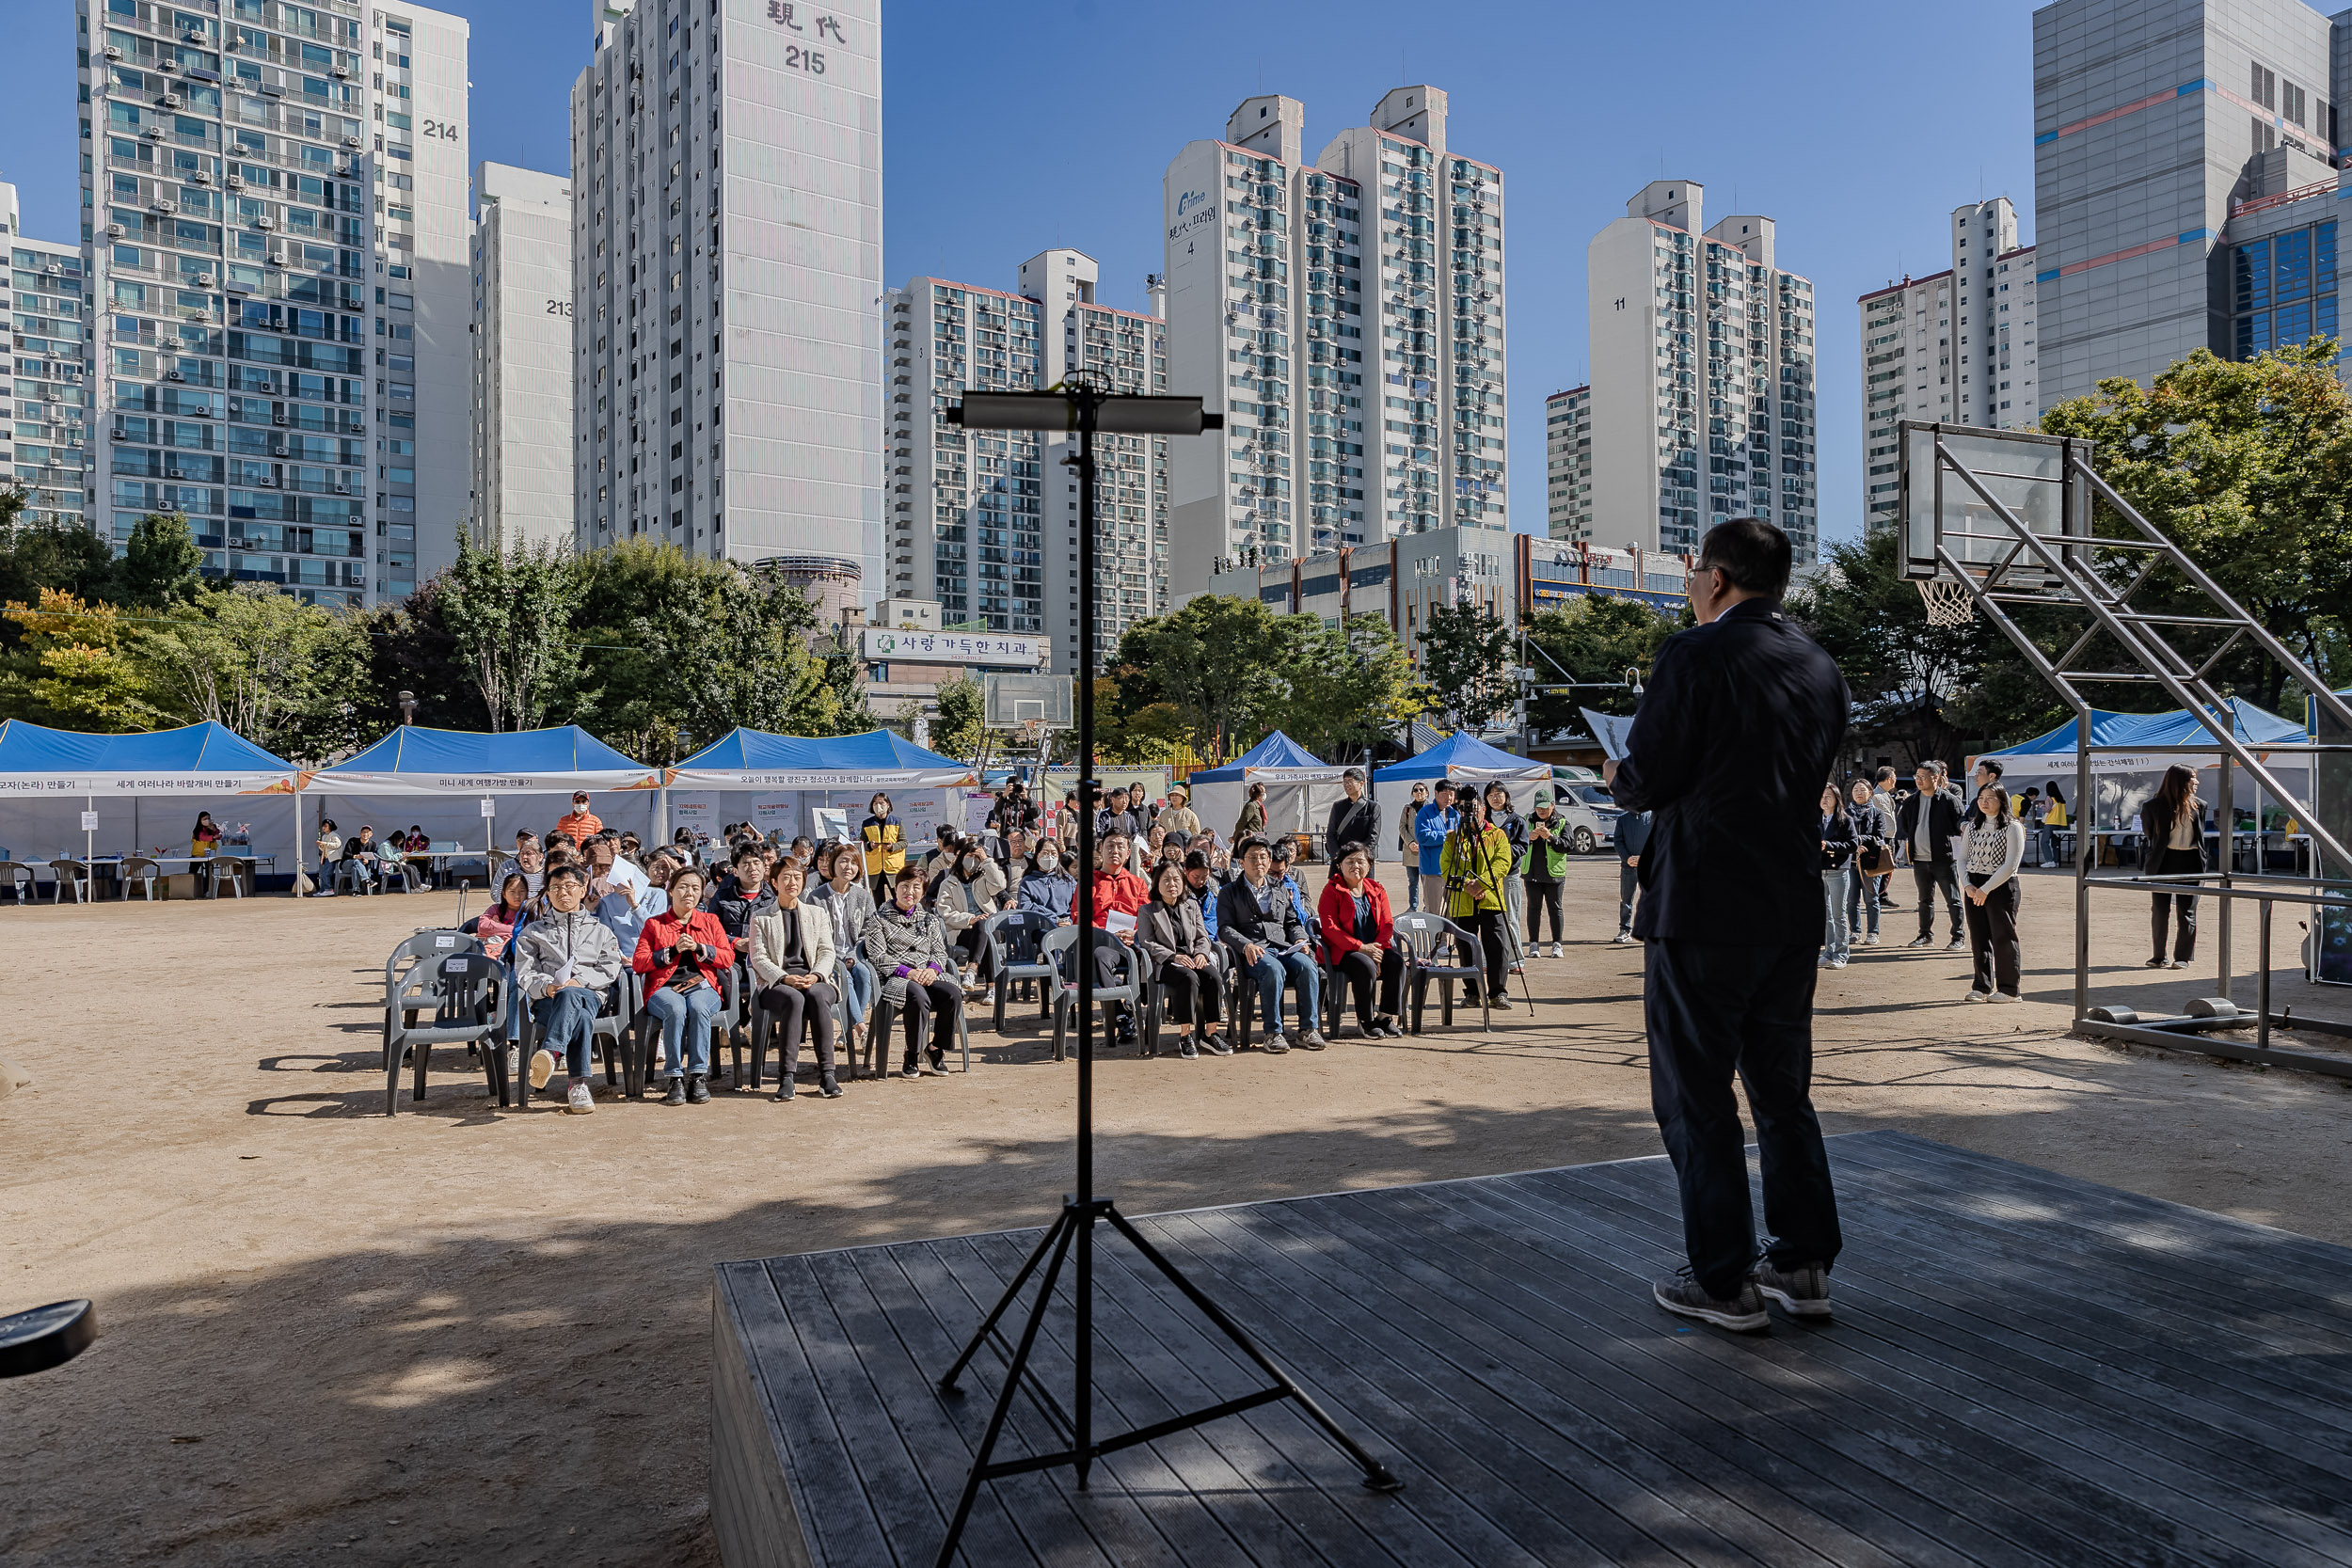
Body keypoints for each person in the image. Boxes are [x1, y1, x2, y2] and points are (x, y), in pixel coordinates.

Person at [1604, 516, 1848, 1333]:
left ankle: (1721, 1276)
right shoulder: (1820, 665)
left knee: (1697, 1095)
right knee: (1783, 1091)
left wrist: (1616, 770)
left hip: (1702, 904)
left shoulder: (1692, 653)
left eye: (1692, 572)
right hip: (1789, 905)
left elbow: (1646, 778)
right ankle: (1802, 1260)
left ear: (1714, 578)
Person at [512, 863, 626, 1115]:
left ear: (583, 889)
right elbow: (525, 972)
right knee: (579, 1014)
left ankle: (551, 1053)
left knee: (573, 994)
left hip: (591, 994)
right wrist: (548, 986)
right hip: (547, 1000)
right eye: (556, 888)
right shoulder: (533, 932)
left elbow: (610, 967)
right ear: (548, 894)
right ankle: (578, 1085)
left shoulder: (601, 931)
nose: (563, 892)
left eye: (569, 886)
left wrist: (579, 980)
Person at [632, 865, 735, 1105]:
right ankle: (674, 1077)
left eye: (695, 888)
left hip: (704, 986)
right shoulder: (654, 924)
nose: (689, 892)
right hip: (664, 987)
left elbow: (727, 957)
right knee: (675, 1008)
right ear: (671, 890)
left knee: (699, 1007)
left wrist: (700, 948)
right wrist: (670, 951)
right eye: (683, 887)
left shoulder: (710, 921)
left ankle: (698, 1075)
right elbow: (639, 962)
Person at [1216, 836, 1325, 1052]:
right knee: (1272, 969)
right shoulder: (1229, 892)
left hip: (1283, 947)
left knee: (1307, 965)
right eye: (1253, 857)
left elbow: (1292, 922)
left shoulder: (1279, 888)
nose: (1259, 862)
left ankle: (1308, 1030)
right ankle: (1273, 1032)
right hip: (1253, 951)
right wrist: (1246, 945)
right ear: (1241, 862)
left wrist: (1300, 939)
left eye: (1263, 857)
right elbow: (1225, 928)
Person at [750, 857, 844, 1100]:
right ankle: (787, 1077)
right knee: (794, 999)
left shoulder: (816, 913)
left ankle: (827, 1074)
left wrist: (816, 975)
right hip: (777, 983)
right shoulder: (761, 917)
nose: (792, 882)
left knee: (818, 995)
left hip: (816, 978)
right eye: (786, 878)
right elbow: (759, 958)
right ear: (774, 882)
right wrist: (784, 978)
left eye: (797, 877)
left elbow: (827, 951)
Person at [864, 864, 963, 1076]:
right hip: (896, 978)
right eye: (905, 886)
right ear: (895, 888)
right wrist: (907, 972)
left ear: (923, 891)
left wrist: (934, 969)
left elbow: (939, 951)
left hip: (927, 974)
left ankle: (935, 1049)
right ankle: (911, 1053)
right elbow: (878, 956)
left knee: (952, 993)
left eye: (916, 887)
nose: (909, 892)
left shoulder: (930, 920)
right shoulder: (878, 919)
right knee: (918, 996)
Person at [1138, 862, 1223, 1058]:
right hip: (1165, 962)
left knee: (1213, 978)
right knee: (1189, 978)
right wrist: (1174, 956)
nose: (1171, 884)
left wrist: (1201, 954)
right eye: (1166, 880)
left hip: (1193, 958)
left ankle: (1210, 1033)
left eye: (1176, 879)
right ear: (1156, 883)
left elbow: (1203, 936)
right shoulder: (1148, 911)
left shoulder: (1191, 906)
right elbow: (1147, 942)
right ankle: (1186, 1035)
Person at [1319, 842, 1403, 1038]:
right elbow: (1330, 928)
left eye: (1360, 861)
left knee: (1396, 962)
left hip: (1374, 948)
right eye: (1350, 861)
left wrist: (1377, 950)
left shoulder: (1377, 889)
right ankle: (1365, 1020)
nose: (1355, 866)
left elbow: (1387, 924)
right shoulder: (1331, 890)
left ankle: (1384, 1017)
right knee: (1364, 965)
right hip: (1344, 951)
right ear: (1339, 865)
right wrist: (1361, 947)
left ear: (1369, 865)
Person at [1439, 793, 1514, 1008]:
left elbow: (1503, 863)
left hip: (1491, 899)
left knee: (1497, 947)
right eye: (1463, 809)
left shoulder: (1497, 835)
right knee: (1465, 947)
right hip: (1463, 900)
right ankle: (1472, 993)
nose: (1469, 812)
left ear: (1483, 808)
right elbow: (1446, 867)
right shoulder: (1453, 838)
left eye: (1473, 807)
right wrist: (1467, 885)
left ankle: (1498, 993)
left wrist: (1481, 884)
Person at [806, 844, 878, 1064]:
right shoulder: (816, 897)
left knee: (863, 975)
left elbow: (871, 929)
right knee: (844, 978)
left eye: (854, 862)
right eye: (843, 861)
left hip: (855, 954)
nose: (849, 867)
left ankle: (847, 1030)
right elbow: (813, 935)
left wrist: (855, 955)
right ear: (833, 865)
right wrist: (835, 958)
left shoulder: (863, 896)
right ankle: (861, 1030)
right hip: (827, 957)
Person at [1962, 782, 2026, 1002]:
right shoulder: (1971, 826)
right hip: (1974, 884)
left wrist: (1986, 889)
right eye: (1981, 797)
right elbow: (1961, 859)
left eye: (1990, 797)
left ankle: (2009, 990)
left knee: (2003, 937)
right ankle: (1982, 986)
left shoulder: (2012, 826)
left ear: (2002, 801)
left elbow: (2010, 865)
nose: (1984, 802)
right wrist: (1967, 885)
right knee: (1979, 937)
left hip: (2001, 886)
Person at [1088, 831, 1152, 1045]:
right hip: (1103, 944)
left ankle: (1146, 1006)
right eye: (1110, 846)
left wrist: (1135, 932)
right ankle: (1121, 1013)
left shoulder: (1138, 883)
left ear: (1127, 854)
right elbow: (1079, 917)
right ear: (1101, 850)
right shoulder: (1089, 882)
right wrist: (1104, 933)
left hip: (1132, 943)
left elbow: (1146, 916)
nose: (1115, 851)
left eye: (1120, 847)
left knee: (1152, 954)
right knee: (1099, 956)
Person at [1895, 762, 1965, 949]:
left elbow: (1960, 824)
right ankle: (1925, 935)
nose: (1918, 780)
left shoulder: (1949, 800)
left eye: (1922, 777)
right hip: (1919, 858)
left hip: (1944, 858)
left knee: (1953, 899)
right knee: (1924, 900)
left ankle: (1958, 937)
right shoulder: (1911, 801)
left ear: (1936, 778)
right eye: (1916, 776)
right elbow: (1904, 825)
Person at [2141, 764, 2205, 970]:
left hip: (2192, 861)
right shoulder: (2153, 806)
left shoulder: (2200, 806)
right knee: (2160, 910)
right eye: (2192, 779)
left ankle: (2183, 957)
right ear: (2179, 781)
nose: (2196, 782)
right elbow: (2151, 836)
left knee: (2187, 910)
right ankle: (2159, 956)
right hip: (2163, 861)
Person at [934, 837, 1007, 1004]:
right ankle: (991, 987)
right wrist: (970, 919)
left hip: (987, 928)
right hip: (961, 930)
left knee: (985, 929)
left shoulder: (984, 879)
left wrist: (987, 860)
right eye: (970, 856)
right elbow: (945, 913)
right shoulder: (948, 883)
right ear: (961, 858)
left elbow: (999, 883)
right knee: (983, 928)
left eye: (976, 858)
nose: (972, 861)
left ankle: (971, 970)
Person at [1484, 782, 1529, 974]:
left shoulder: (1517, 820)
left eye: (1499, 793)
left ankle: (1515, 960)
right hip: (1486, 877)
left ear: (1506, 796)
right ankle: (1487, 959)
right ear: (1485, 799)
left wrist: (1502, 850)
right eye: (1491, 794)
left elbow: (1523, 847)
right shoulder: (1482, 820)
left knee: (1511, 918)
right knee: (1487, 920)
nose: (1495, 797)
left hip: (1509, 876)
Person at [1845, 777, 1889, 948]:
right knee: (1851, 900)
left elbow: (1879, 836)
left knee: (1871, 898)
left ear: (1870, 793)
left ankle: (1873, 933)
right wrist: (1853, 846)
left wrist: (1858, 841)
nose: (1859, 793)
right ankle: (1854, 931)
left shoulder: (1877, 813)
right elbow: (1842, 836)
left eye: (1863, 790)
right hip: (1850, 862)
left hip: (1871, 862)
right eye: (1856, 790)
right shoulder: (1845, 813)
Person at [1524, 794, 1569, 958]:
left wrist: (1550, 837)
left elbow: (1567, 846)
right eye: (1538, 807)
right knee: (1533, 908)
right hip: (1532, 873)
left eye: (1545, 806)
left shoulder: (1562, 822)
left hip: (1554, 874)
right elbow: (1517, 842)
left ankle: (1557, 944)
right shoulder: (1526, 821)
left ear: (1552, 805)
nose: (1542, 811)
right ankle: (1533, 945)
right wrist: (1529, 838)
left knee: (1555, 908)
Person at [1820, 784, 1856, 970]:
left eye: (1829, 796)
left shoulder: (1845, 820)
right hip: (1819, 870)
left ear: (1837, 799)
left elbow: (1852, 845)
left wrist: (1830, 845)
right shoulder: (1815, 820)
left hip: (1838, 871)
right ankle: (1828, 951)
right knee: (1825, 915)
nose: (1824, 800)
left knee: (1838, 914)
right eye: (1822, 796)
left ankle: (1841, 954)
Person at [1614, 803, 1652, 945]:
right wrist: (1627, 858)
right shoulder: (1623, 819)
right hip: (1628, 866)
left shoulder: (1653, 817)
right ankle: (1624, 930)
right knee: (1626, 899)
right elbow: (1618, 841)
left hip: (1649, 867)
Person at [1325, 768, 1379, 868]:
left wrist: (1358, 857)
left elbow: (1373, 837)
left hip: (1362, 862)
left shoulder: (1372, 807)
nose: (1346, 785)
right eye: (1345, 782)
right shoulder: (1338, 806)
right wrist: (1338, 858)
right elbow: (1330, 834)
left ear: (1361, 783)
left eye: (1350, 781)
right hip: (1341, 861)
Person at [1017, 839, 1077, 923]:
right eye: (1045, 853)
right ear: (1037, 855)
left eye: (1053, 853)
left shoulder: (1068, 880)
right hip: (1041, 927)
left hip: (1067, 927)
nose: (1050, 857)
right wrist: (1053, 920)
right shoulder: (1027, 882)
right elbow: (1026, 907)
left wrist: (1069, 921)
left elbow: (1077, 905)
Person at [860, 793, 906, 899]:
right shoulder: (867, 823)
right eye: (875, 803)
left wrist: (892, 846)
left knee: (898, 899)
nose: (878, 806)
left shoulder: (897, 822)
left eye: (881, 803)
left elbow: (904, 842)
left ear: (888, 805)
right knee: (878, 900)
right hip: (874, 868)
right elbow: (862, 844)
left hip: (893, 868)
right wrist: (870, 845)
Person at [1868, 767, 1903, 910]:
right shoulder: (1875, 796)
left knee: (1887, 868)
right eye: (1894, 777)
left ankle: (1882, 895)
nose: (1895, 780)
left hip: (1889, 835)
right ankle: (1879, 895)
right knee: (1882, 867)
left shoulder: (1885, 794)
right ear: (1889, 779)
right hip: (1882, 837)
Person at [1397, 781, 1431, 911]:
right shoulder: (1407, 809)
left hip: (1425, 851)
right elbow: (1402, 827)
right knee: (1412, 882)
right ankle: (1413, 906)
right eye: (1416, 790)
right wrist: (1410, 842)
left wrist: (1422, 844)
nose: (1419, 792)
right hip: (1410, 850)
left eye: (1422, 790)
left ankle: (1427, 906)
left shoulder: (1431, 808)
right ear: (1412, 793)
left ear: (1427, 793)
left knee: (1427, 882)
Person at [342, 825, 385, 895]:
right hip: (346, 865)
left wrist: (367, 861)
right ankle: (367, 880)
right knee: (357, 860)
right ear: (360, 833)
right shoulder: (352, 841)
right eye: (364, 832)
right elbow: (346, 853)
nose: (365, 834)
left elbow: (371, 857)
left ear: (371, 834)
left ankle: (356, 891)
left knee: (355, 869)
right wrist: (355, 856)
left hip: (360, 867)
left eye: (367, 832)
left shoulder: (372, 844)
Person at [190, 811, 223, 895]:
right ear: (200, 820)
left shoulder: (212, 828)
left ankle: (208, 890)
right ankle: (191, 889)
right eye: (204, 819)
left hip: (209, 854)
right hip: (198, 854)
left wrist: (214, 830)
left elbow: (219, 836)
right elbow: (202, 837)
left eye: (208, 818)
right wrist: (212, 837)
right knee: (193, 872)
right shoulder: (197, 830)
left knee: (209, 873)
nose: (207, 820)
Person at [2040, 783, 2069, 868]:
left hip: (2051, 822)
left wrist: (2041, 806)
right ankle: (2056, 861)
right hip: (2060, 823)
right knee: (2055, 843)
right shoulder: (2060, 799)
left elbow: (2048, 809)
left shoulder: (2049, 798)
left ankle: (2049, 861)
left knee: (2044, 842)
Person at [1232, 781, 1268, 845]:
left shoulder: (1258, 806)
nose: (1265, 794)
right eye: (1263, 793)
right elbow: (1241, 823)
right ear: (1258, 795)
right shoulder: (1251, 805)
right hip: (1251, 839)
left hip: (1258, 837)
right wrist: (1234, 837)